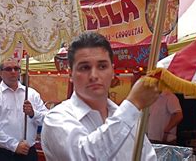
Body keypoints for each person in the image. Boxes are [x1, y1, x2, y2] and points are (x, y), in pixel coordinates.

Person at [41, 32, 159, 161]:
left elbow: (148, 157)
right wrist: (133, 104)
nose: (94, 75)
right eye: (85, 67)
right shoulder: (56, 118)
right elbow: (85, 157)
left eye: (102, 66)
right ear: (70, 74)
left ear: (112, 71)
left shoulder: (127, 119)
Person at [0, 57, 48, 161]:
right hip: (2, 154)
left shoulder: (31, 94)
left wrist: (33, 113)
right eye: (8, 69)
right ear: (1, 73)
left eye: (16, 68)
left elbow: (46, 119)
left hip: (28, 153)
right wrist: (14, 145)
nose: (13, 72)